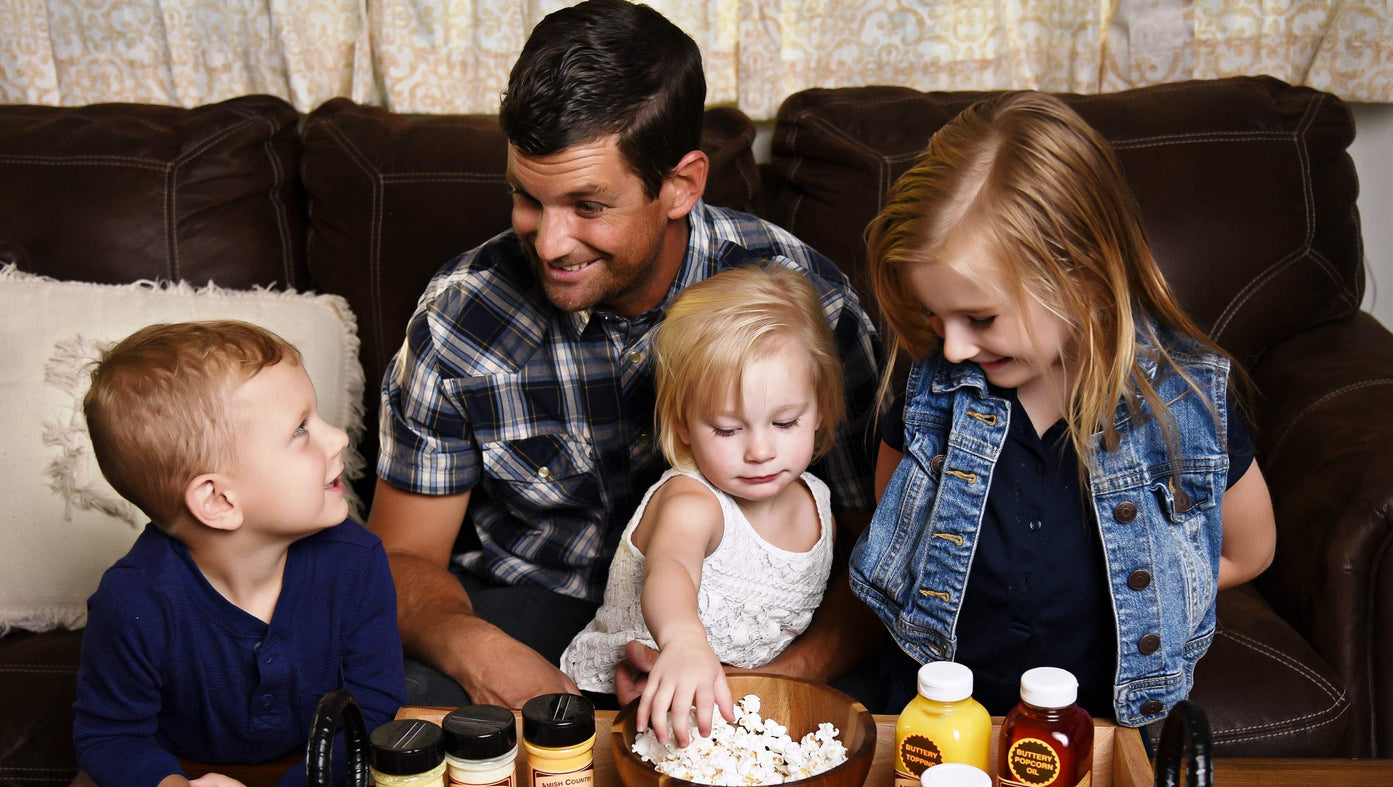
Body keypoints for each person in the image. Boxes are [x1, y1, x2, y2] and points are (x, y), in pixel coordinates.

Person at [369, 0, 881, 710]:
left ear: (680, 186)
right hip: (531, 607)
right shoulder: (461, 315)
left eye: (587, 205)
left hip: (751, 628)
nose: (549, 243)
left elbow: (880, 550)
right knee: (392, 693)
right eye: (527, 197)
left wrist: (776, 680)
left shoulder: (805, 303)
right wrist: (477, 649)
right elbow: (399, 558)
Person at [850, 92, 1277, 724]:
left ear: (1084, 278)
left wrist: (1145, 585)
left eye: (980, 318)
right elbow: (897, 525)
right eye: (933, 316)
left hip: (1095, 723)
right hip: (935, 707)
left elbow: (1248, 550)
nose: (954, 347)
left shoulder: (1181, 403)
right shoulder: (935, 389)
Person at [73, 320, 405, 787]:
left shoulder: (356, 563)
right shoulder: (131, 603)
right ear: (219, 499)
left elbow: (372, 713)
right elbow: (110, 738)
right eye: (300, 430)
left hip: (315, 783)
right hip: (198, 778)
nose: (338, 438)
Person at [560, 264, 844, 743]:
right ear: (684, 425)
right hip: (630, 697)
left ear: (819, 407)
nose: (760, 451)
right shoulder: (692, 502)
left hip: (737, 705)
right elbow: (671, 567)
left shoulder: (819, 507)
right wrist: (684, 640)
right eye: (728, 430)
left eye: (785, 422)